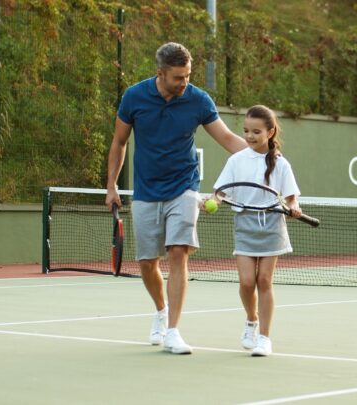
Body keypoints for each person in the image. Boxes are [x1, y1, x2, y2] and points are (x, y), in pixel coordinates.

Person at [105, 42, 246, 354]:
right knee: (146, 262)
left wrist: (262, 154)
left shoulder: (197, 100)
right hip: (145, 191)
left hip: (184, 187)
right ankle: (160, 310)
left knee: (178, 252)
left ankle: (173, 331)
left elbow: (225, 137)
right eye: (178, 77)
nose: (184, 82)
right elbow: (119, 142)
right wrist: (112, 185)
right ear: (161, 74)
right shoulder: (134, 97)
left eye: (188, 76)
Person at [209, 105, 302, 357]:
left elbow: (292, 198)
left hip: (272, 225)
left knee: (264, 281)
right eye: (246, 131)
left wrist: (293, 207)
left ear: (270, 132)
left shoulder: (281, 163)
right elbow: (220, 192)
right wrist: (214, 201)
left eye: (256, 132)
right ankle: (251, 320)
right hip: (245, 224)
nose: (249, 136)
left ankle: (264, 337)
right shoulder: (236, 160)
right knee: (246, 282)